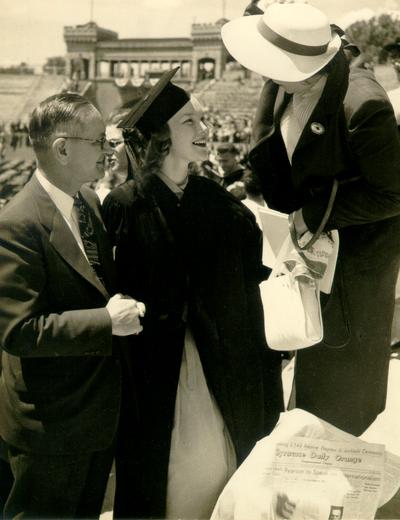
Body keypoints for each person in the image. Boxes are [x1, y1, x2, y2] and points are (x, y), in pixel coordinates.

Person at [102, 68, 284, 519]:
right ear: (161, 135)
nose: (204, 131)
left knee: (218, 476)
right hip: (156, 376)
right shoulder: (126, 206)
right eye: (189, 122)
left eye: (202, 122)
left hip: (221, 370)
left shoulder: (221, 205)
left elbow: (252, 290)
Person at [221, 1, 400, 435]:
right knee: (309, 392)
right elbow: (269, 149)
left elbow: (394, 192)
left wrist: (315, 214)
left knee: (339, 401)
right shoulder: (289, 81)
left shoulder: (363, 105)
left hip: (352, 276)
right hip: (312, 262)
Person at [0, 92, 144, 519]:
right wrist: (105, 322)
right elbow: (18, 331)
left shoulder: (89, 204)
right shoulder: (18, 222)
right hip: (49, 427)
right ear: (62, 148)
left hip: (92, 419)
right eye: (99, 141)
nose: (109, 150)